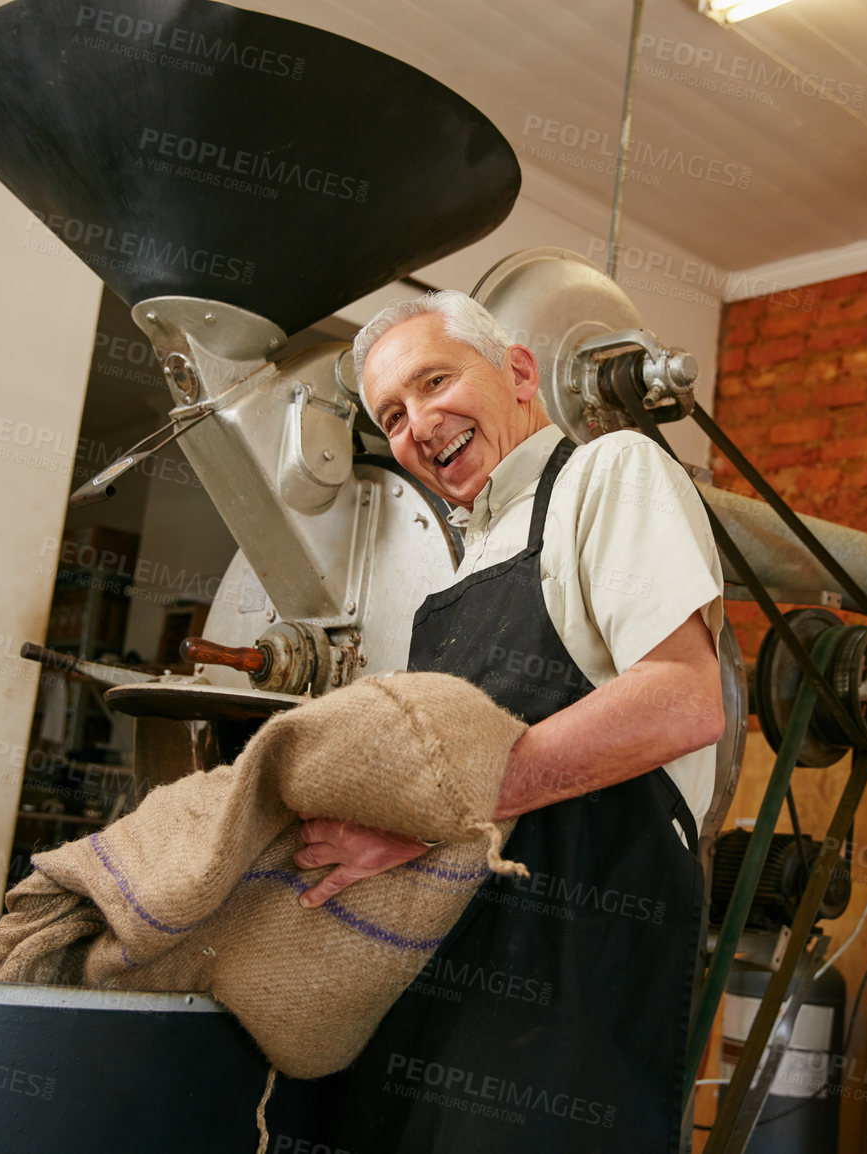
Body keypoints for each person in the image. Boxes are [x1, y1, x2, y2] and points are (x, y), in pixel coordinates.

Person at [286, 289, 725, 1154]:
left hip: (570, 983)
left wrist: (432, 815)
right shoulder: (454, 577)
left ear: (519, 372)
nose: (418, 423)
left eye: (435, 380)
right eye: (392, 414)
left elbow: (683, 697)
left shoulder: (610, 472)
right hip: (444, 975)